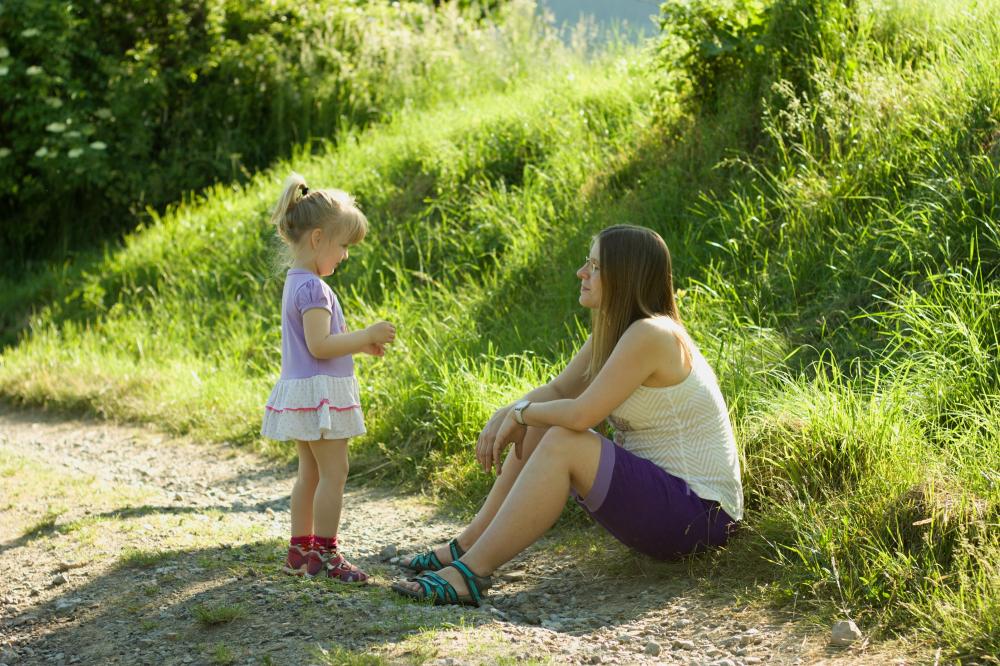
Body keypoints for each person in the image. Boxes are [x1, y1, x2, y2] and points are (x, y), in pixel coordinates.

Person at [393, 224, 743, 605]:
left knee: (561, 437)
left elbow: (579, 416)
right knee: (545, 423)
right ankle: (467, 545)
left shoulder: (652, 334)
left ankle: (469, 574)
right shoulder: (617, 332)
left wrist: (523, 414)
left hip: (701, 517)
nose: (581, 273)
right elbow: (560, 391)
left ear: (624, 275)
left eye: (594, 266)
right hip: (669, 506)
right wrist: (510, 411)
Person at [261, 173, 396, 583]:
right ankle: (326, 554)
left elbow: (314, 344)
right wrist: (364, 337)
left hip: (302, 390)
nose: (345, 255)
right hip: (320, 394)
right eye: (342, 246)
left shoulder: (295, 283)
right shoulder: (315, 290)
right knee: (334, 472)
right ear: (318, 239)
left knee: (311, 473)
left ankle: (300, 549)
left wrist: (356, 344)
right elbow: (320, 345)